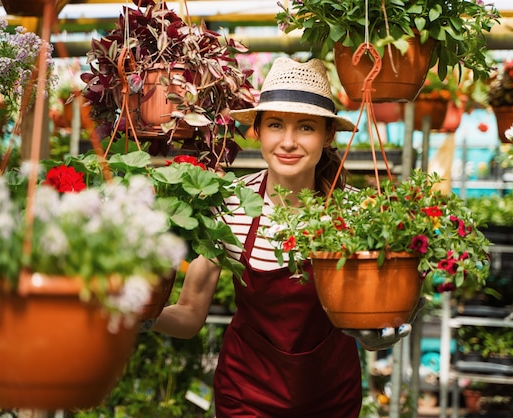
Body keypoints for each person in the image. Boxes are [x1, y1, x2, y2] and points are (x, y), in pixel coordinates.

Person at [150, 57, 419, 417]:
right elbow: (188, 315)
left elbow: (381, 306)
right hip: (246, 395)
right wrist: (143, 317)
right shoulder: (229, 207)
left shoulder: (357, 213)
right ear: (258, 131)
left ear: (327, 136)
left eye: (305, 127)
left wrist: (379, 333)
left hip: (331, 396)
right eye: (276, 125)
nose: (288, 142)